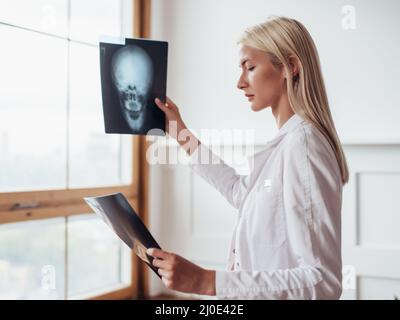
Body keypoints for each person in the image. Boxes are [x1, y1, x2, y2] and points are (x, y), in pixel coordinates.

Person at [146, 16, 349, 299]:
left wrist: (206, 281)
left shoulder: (303, 147)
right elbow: (240, 192)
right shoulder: (287, 144)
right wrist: (179, 131)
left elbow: (321, 283)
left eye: (250, 67)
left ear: (290, 66)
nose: (240, 83)